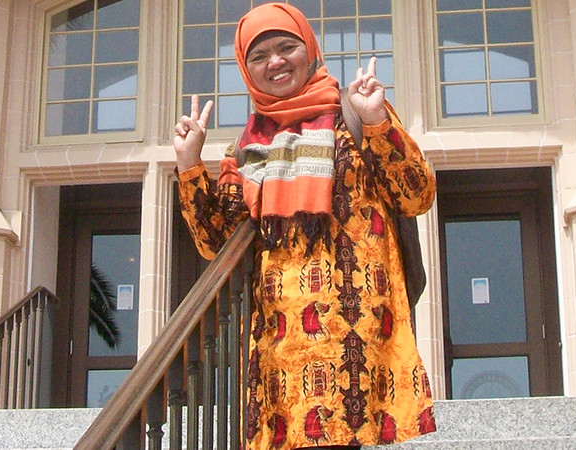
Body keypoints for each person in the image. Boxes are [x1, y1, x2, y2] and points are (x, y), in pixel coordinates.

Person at [173, 4, 437, 449]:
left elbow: (416, 194)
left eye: (286, 47)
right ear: (246, 69)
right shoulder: (248, 147)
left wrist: (376, 120)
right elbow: (215, 242)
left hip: (357, 332)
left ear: (309, 49)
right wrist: (189, 164)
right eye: (259, 56)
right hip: (282, 346)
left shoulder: (352, 116)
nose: (275, 62)